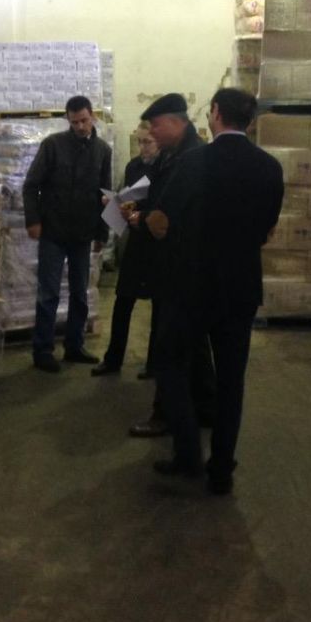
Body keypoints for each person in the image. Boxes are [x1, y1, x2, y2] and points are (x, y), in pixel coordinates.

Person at [145, 87, 284, 495]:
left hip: (192, 285)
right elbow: (267, 231)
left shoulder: (194, 162)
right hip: (240, 288)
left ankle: (188, 451)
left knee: (171, 363)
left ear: (216, 113)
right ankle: (221, 468)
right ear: (251, 121)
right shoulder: (269, 168)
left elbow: (160, 220)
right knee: (231, 380)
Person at [125, 93, 216, 438]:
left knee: (170, 349)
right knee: (194, 344)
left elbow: (171, 215)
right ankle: (206, 408)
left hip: (180, 265)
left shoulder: (192, 158)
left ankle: (165, 415)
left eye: (156, 125)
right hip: (176, 264)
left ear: (176, 122)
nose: (151, 132)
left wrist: (141, 218)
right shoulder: (173, 154)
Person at [22, 95, 112, 373]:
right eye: (74, 122)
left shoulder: (102, 150)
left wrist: (102, 233)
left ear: (92, 116)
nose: (80, 127)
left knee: (79, 293)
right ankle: (43, 351)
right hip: (53, 231)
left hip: (82, 233)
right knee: (48, 293)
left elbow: (105, 194)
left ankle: (74, 346)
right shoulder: (53, 146)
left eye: (84, 120)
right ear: (68, 120)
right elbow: (31, 185)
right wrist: (33, 221)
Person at [92, 125, 159, 377]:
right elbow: (129, 198)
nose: (142, 148)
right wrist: (117, 204)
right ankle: (113, 359)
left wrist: (138, 210)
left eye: (147, 142)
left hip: (158, 243)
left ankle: (154, 364)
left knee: (159, 306)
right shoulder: (133, 166)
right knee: (123, 300)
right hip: (136, 241)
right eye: (139, 142)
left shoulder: (166, 168)